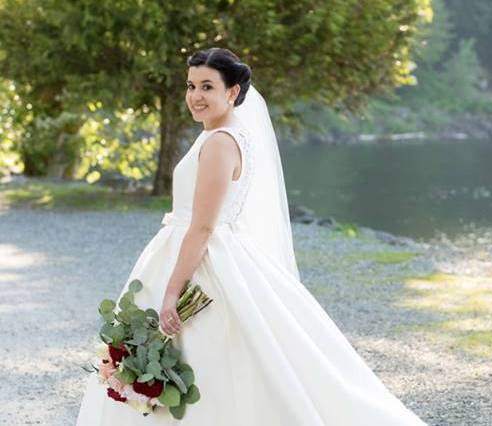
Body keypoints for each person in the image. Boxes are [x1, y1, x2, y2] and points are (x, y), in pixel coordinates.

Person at [75, 47, 429, 425]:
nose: (195, 96)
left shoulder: (220, 143)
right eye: (191, 85)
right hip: (205, 250)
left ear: (232, 92)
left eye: (207, 86)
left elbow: (204, 226)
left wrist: (172, 291)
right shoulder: (226, 136)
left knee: (210, 357)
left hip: (203, 261)